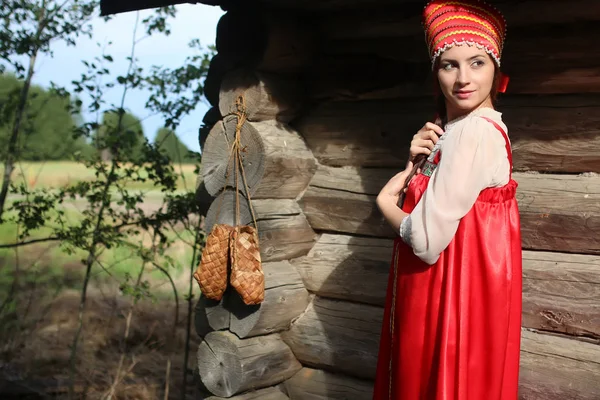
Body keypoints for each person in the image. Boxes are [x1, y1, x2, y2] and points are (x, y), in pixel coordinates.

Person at [372, 1, 522, 399]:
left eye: (477, 62)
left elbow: (425, 240)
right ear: (435, 72)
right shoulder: (457, 130)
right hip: (451, 299)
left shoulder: (474, 133)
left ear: (496, 68)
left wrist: (385, 200)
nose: (462, 78)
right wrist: (413, 166)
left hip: (449, 306)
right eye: (449, 65)